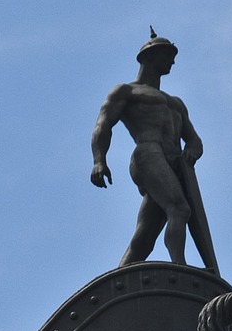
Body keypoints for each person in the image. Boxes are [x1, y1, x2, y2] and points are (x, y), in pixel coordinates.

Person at [89, 29, 220, 276]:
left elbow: (194, 140)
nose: (172, 61)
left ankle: (121, 274)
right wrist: (99, 160)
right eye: (167, 54)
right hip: (147, 153)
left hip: (173, 163)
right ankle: (179, 267)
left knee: (146, 233)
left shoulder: (176, 103)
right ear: (149, 57)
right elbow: (103, 125)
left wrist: (192, 150)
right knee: (179, 209)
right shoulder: (127, 92)